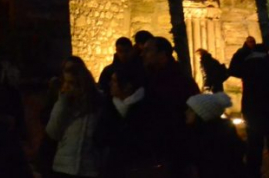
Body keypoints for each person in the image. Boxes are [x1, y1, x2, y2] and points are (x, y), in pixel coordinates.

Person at [142, 36, 199, 173]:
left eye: (148, 50)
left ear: (162, 54)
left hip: (174, 148)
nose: (142, 54)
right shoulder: (149, 76)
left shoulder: (179, 80)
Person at [94, 63, 160, 177]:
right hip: (113, 167)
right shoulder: (108, 107)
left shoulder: (147, 108)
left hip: (138, 167)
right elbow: (100, 136)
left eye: (114, 81)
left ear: (127, 86)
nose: (110, 84)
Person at [46, 56, 102, 177]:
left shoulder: (97, 102)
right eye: (65, 82)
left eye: (71, 83)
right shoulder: (63, 102)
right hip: (64, 167)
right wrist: (62, 102)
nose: (67, 87)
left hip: (89, 168)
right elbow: (53, 132)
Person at [229, 36, 269, 178]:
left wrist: (244, 49)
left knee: (254, 144)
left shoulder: (247, 65)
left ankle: (253, 173)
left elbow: (232, 69)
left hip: (253, 109)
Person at [183, 92, 245, 177]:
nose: (186, 112)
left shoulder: (209, 141)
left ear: (201, 115)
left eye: (191, 110)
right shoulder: (216, 132)